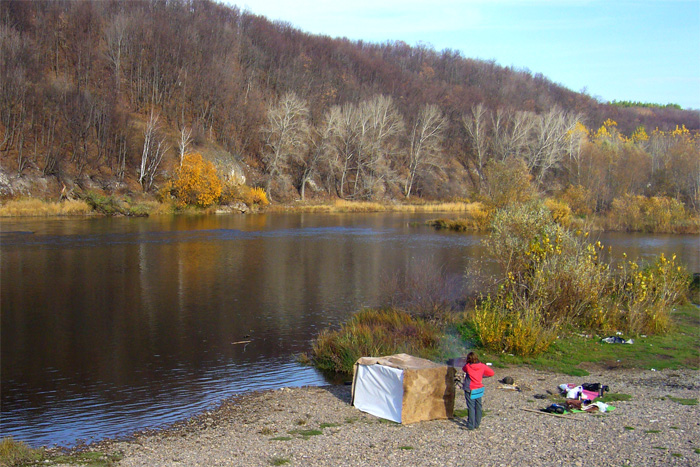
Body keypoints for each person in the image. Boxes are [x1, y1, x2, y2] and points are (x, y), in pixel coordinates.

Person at [461, 351, 494, 430]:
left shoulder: (468, 366)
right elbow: (491, 373)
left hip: (470, 388)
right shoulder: (482, 366)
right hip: (479, 388)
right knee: (478, 406)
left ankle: (470, 425)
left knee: (471, 407)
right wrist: (482, 376)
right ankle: (477, 424)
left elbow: (463, 369)